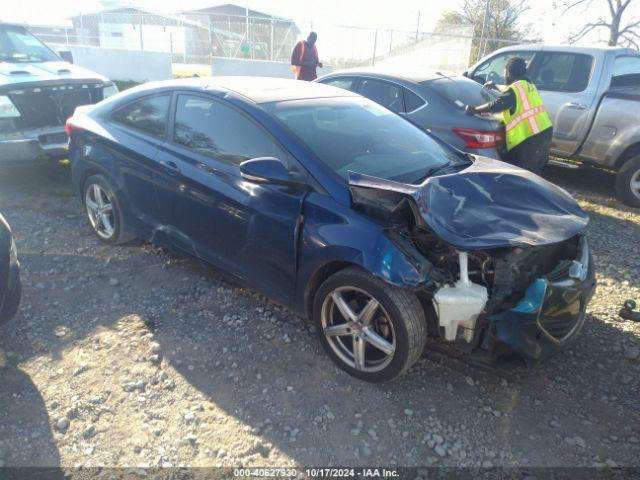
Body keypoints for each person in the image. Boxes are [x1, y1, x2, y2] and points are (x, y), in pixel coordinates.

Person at [465, 57, 553, 174]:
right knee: (534, 170)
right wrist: (495, 85)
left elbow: (498, 104)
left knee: (524, 173)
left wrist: (475, 110)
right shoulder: (527, 84)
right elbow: (510, 91)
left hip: (531, 137)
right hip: (544, 132)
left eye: (505, 72)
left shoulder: (515, 89)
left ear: (508, 72)